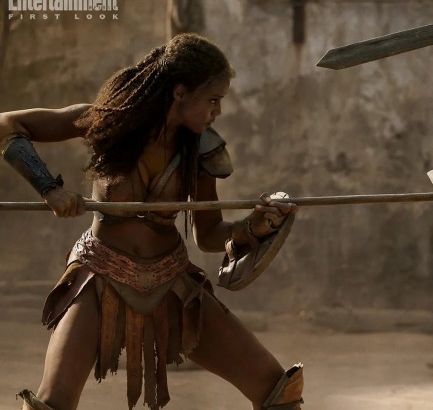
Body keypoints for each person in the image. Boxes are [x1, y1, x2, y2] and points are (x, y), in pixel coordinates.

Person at [0, 33, 304, 410]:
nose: (218, 111)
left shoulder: (201, 149)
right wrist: (49, 189)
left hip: (173, 283)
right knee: (51, 405)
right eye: (212, 99)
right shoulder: (107, 121)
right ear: (180, 93)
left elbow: (209, 234)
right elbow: (8, 124)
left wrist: (252, 228)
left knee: (278, 392)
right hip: (100, 275)